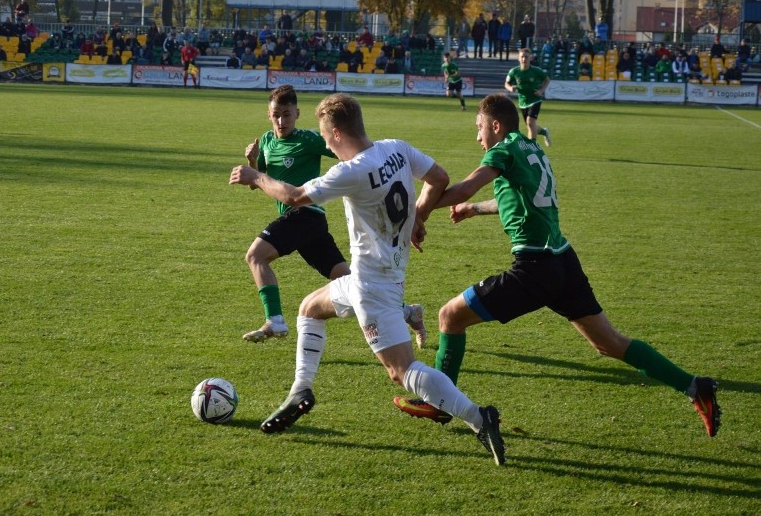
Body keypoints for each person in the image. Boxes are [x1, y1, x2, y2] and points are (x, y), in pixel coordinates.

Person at [393, 93, 722, 442]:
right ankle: (695, 386)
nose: (477, 137)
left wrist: (417, 213)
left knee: (450, 317)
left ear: (495, 125)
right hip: (564, 260)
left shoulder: (502, 150)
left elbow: (465, 185)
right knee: (609, 343)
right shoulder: (531, 148)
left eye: (479, 129)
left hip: (534, 268)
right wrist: (473, 210)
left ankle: (442, 402)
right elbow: (518, 200)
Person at [229, 93, 505, 465]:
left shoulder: (351, 171)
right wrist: (416, 217)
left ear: (338, 133)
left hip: (371, 286)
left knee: (401, 371)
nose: (325, 143)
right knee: (310, 309)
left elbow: (294, 197)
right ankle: (301, 390)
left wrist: (256, 176)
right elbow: (439, 178)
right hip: (378, 273)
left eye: (327, 138)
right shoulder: (397, 148)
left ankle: (478, 417)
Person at [234, 86, 428, 348]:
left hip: (305, 214)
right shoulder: (267, 141)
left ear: (297, 114)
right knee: (349, 282)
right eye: (276, 115)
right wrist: (254, 163)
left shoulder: (310, 140)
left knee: (255, 255)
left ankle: (275, 319)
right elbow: (258, 183)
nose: (282, 121)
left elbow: (348, 148)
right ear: (269, 115)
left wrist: (376, 163)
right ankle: (408, 312)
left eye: (287, 115)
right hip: (308, 225)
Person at [505, 48, 551, 147]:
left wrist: (541, 91)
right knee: (531, 126)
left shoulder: (536, 71)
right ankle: (545, 132)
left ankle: (532, 146)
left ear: (530, 58)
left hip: (535, 99)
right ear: (518, 58)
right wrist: (510, 88)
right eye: (522, 57)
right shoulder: (514, 72)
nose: (524, 59)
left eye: (526, 57)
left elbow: (547, 80)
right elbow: (507, 83)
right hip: (522, 101)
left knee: (530, 122)